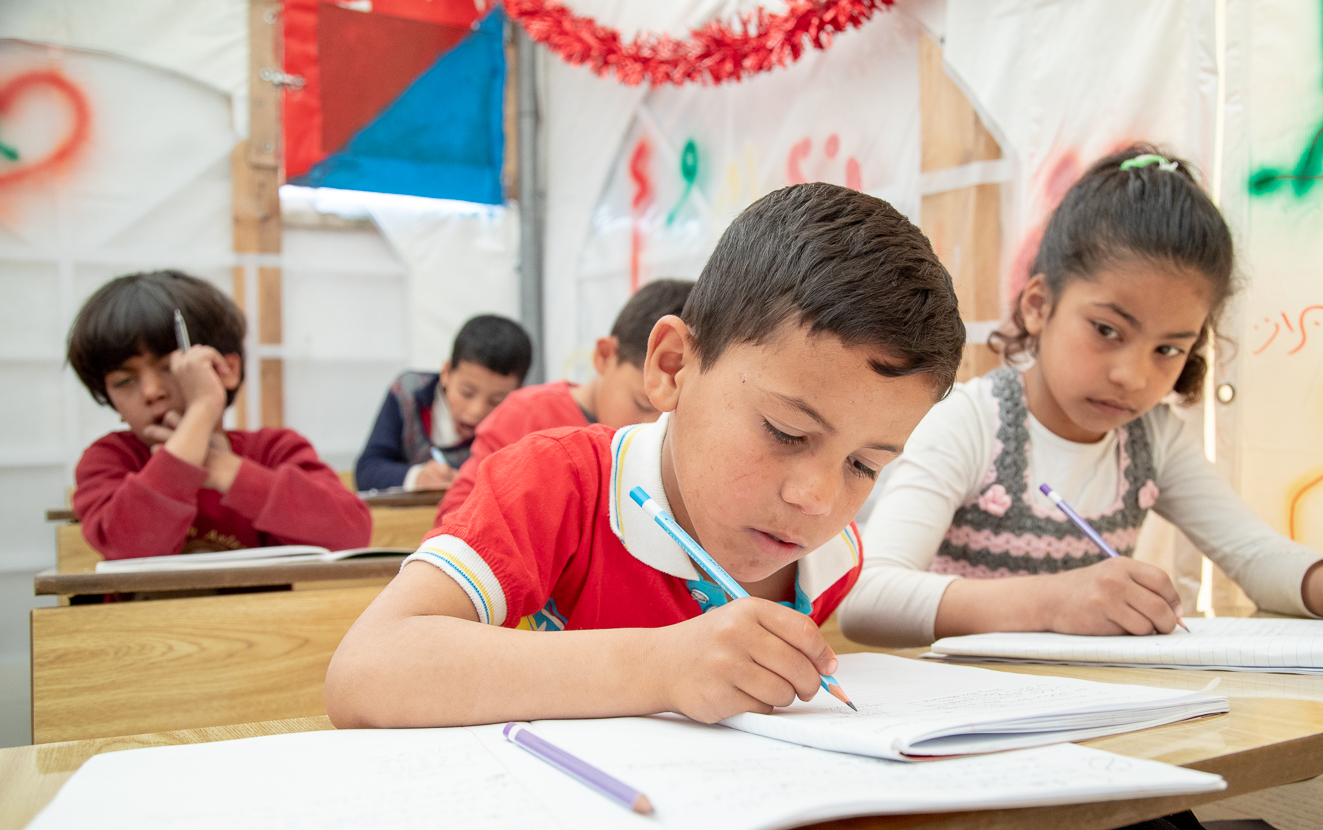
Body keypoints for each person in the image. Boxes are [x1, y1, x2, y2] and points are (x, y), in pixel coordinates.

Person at [325, 183, 965, 729]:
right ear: (672, 366)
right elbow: (367, 669)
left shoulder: (831, 560)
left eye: (864, 466)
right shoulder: (559, 484)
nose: (818, 499)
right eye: (786, 431)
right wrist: (661, 666)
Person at [839, 145, 1323, 647]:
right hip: (966, 719)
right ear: (1039, 305)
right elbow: (869, 599)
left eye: (1169, 348)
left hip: (1102, 719)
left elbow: (1254, 555)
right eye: (1107, 330)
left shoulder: (1153, 441)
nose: (1132, 375)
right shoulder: (972, 423)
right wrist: (1054, 601)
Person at [67, 270, 371, 560]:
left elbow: (351, 533)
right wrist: (201, 410)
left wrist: (222, 468)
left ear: (226, 370)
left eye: (170, 367)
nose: (150, 392)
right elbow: (129, 546)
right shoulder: (109, 460)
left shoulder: (274, 450)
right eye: (124, 382)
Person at [434, 279, 693, 524]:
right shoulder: (527, 415)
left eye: (671, 415)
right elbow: (455, 515)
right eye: (642, 404)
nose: (653, 426)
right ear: (604, 356)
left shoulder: (666, 447)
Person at [354, 314, 531, 492]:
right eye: (466, 393)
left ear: (519, 392)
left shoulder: (523, 421)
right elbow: (367, 469)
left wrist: (468, 482)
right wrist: (417, 477)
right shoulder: (408, 392)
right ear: (446, 372)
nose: (477, 410)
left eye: (496, 401)